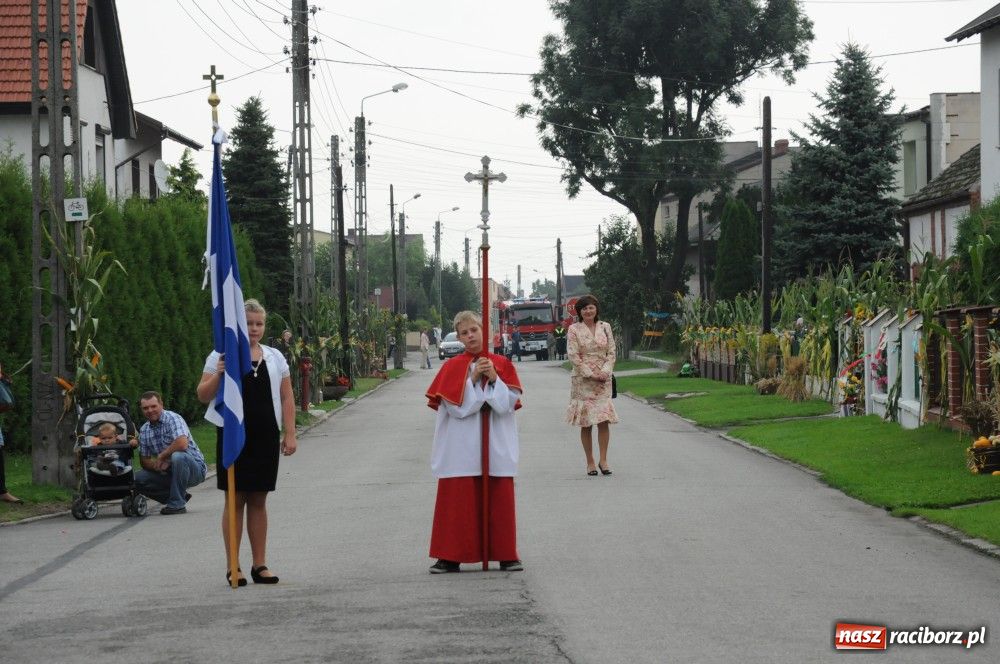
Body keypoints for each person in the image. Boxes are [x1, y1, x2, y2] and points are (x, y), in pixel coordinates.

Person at [197, 298, 297, 586]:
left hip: (265, 436)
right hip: (233, 436)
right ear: (239, 324)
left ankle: (260, 564)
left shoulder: (275, 356)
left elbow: (287, 396)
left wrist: (289, 433)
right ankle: (233, 566)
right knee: (235, 498)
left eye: (259, 324)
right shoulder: (221, 353)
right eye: (249, 323)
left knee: (258, 499)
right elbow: (203, 394)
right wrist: (220, 371)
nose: (254, 329)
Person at [425, 311, 523, 573]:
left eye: (474, 330)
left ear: (484, 330)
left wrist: (494, 379)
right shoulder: (452, 367)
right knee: (458, 501)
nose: (470, 336)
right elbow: (455, 408)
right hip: (461, 445)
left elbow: (507, 404)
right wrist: (471, 380)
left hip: (495, 442)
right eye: (464, 333)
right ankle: (450, 555)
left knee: (499, 496)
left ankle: (505, 553)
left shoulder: (501, 363)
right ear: (458, 337)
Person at [566, 294, 618, 476]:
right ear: (579, 312)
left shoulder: (605, 327)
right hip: (583, 380)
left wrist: (605, 371)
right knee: (586, 422)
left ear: (596, 309)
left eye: (591, 307)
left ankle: (604, 460)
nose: (588, 311)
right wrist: (590, 373)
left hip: (604, 379)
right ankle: (590, 462)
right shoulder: (574, 329)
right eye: (584, 308)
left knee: (603, 420)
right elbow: (573, 355)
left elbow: (611, 352)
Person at [135, 391, 207, 514]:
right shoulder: (144, 430)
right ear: (141, 409)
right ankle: (177, 496)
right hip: (168, 472)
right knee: (137, 478)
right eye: (145, 408)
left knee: (178, 456)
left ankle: (177, 505)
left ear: (161, 404)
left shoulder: (173, 418)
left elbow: (182, 444)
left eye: (153, 406)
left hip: (194, 469)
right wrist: (157, 466)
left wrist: (162, 456)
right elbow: (144, 461)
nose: (150, 410)